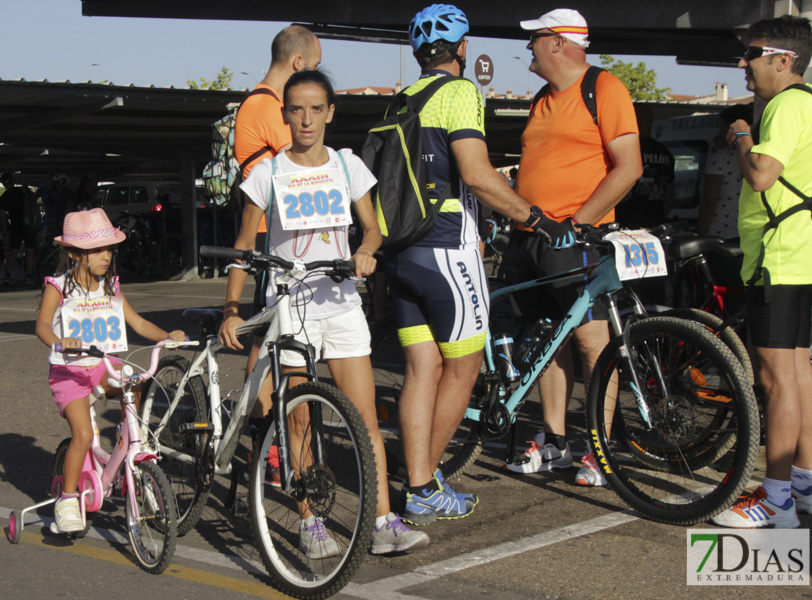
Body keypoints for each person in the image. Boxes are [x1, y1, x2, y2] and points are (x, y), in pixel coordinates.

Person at [222, 69, 431, 555]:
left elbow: (373, 229)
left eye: (317, 109)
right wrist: (231, 308)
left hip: (339, 304)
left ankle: (382, 522)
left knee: (362, 420)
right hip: (291, 308)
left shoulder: (346, 164)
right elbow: (243, 246)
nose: (307, 119)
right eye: (297, 110)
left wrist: (367, 251)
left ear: (330, 113)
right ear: (285, 115)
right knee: (298, 419)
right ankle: (310, 521)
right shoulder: (267, 173)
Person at [385, 4, 573, 526]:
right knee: (464, 367)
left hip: (403, 253)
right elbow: (475, 172)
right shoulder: (460, 93)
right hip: (447, 247)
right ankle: (423, 483)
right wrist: (534, 217)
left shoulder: (403, 98)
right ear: (462, 49)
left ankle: (419, 479)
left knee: (422, 369)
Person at [502, 8, 642, 486]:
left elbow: (629, 167)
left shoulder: (604, 88)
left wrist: (578, 223)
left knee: (591, 340)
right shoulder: (543, 97)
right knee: (547, 337)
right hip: (531, 239)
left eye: (535, 38)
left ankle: (599, 449)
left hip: (574, 239)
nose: (528, 48)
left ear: (559, 42)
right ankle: (555, 439)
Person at [713, 15, 812, 528]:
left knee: (776, 379)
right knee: (799, 372)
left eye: (751, 53)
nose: (743, 62)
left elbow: (761, 175)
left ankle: (776, 498)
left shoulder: (784, 105)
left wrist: (741, 133)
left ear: (783, 59)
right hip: (801, 250)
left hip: (778, 255)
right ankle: (804, 483)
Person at [35, 207, 186, 534]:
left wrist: (168, 336)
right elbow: (42, 326)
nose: (107, 256)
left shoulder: (111, 286)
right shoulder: (58, 286)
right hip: (70, 372)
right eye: (98, 250)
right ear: (75, 254)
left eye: (109, 249)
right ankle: (67, 498)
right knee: (84, 435)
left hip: (102, 364)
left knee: (133, 381)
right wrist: (61, 342)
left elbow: (138, 322)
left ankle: (129, 439)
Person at [233, 24, 322, 485]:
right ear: (298, 64)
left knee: (263, 346)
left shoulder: (259, 102)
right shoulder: (266, 105)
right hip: (274, 242)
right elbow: (306, 157)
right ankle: (265, 443)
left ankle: (258, 441)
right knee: (271, 348)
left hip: (280, 240)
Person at [698, 103, 754, 240]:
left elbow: (710, 199)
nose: (720, 130)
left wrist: (700, 232)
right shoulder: (756, 155)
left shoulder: (721, 157)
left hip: (720, 232)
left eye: (723, 125)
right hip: (749, 232)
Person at [614, 104, 675, 229]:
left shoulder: (626, 149)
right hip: (654, 223)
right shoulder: (665, 152)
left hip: (625, 222)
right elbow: (670, 191)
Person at [0, 172, 36, 285]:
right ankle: (29, 277)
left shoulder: (4, 198)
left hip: (16, 226)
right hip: (29, 224)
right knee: (30, 250)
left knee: (13, 251)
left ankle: (8, 275)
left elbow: (3, 217)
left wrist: (5, 232)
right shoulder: (23, 191)